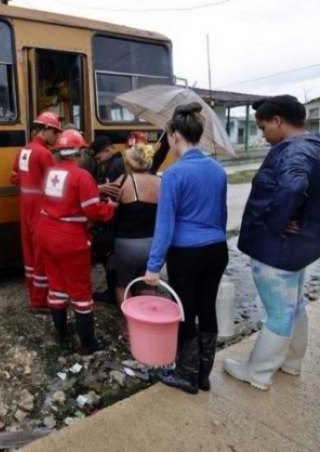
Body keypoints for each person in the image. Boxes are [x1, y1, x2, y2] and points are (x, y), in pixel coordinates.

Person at [223, 95, 320, 390]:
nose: (263, 134)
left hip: (277, 250)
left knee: (278, 312)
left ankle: (258, 373)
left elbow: (293, 186)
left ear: (278, 120)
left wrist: (276, 222)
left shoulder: (294, 152)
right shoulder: (317, 148)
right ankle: (291, 362)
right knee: (294, 305)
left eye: (263, 127)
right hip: (302, 247)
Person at [144, 102, 228, 394]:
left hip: (186, 253)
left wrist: (153, 266)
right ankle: (203, 375)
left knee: (185, 310)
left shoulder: (174, 175)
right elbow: (222, 216)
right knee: (207, 307)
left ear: (174, 136)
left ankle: (186, 375)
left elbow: (164, 226)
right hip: (217, 250)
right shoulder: (218, 171)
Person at [35, 129, 118, 354]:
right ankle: (88, 345)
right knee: (80, 291)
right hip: (69, 239)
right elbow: (93, 211)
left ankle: (62, 334)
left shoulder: (52, 172)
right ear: (80, 152)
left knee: (56, 285)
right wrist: (110, 208)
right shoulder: (82, 176)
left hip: (45, 234)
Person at [10, 111, 62, 312]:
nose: (56, 137)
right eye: (55, 132)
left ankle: (33, 292)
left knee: (30, 253)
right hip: (41, 209)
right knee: (41, 255)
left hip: (25, 208)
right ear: (45, 130)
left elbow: (15, 178)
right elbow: (56, 185)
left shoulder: (25, 150)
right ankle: (40, 302)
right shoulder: (44, 154)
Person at [113, 143, 160, 314]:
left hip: (126, 245)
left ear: (129, 164)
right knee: (147, 285)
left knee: (122, 285)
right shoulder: (160, 182)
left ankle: (130, 326)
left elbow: (110, 210)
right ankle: (148, 321)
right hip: (152, 244)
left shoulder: (124, 181)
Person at [87, 136, 124, 305]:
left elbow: (115, 192)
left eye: (99, 158)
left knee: (109, 254)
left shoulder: (114, 167)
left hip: (115, 218)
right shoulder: (120, 162)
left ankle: (113, 293)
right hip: (121, 219)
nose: (99, 162)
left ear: (108, 150)